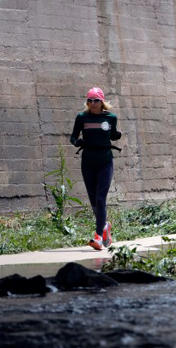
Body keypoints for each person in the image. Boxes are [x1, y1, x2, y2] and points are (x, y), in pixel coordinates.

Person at [69, 87, 122, 250]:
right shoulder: (82, 117)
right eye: (90, 100)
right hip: (88, 162)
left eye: (96, 100)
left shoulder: (111, 118)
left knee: (100, 198)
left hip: (105, 161)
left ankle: (98, 237)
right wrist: (77, 142)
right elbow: (73, 137)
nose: (93, 103)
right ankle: (105, 226)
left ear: (102, 102)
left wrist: (116, 135)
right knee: (93, 200)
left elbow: (112, 135)